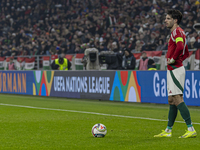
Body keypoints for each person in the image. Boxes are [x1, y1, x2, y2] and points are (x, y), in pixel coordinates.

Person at [154, 9, 197, 138]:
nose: (165, 20)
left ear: (175, 20)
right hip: (174, 68)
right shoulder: (178, 32)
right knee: (171, 100)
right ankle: (168, 131)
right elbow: (186, 51)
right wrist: (178, 59)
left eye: (168, 18)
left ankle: (191, 128)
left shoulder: (177, 32)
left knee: (177, 98)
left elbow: (180, 46)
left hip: (175, 70)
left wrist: (173, 59)